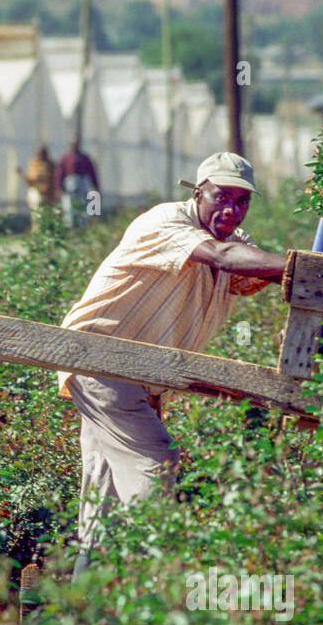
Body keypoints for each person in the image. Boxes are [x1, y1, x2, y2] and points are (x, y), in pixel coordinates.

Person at [56, 152, 287, 575]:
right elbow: (224, 258)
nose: (231, 209)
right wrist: (301, 266)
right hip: (100, 359)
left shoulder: (231, 240)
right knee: (155, 462)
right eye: (221, 197)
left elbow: (250, 271)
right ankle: (154, 587)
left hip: (139, 375)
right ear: (199, 192)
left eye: (242, 201)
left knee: (103, 488)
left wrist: (314, 273)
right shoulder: (165, 223)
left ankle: (83, 604)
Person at [55, 137, 101, 225]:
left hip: (82, 183)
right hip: (70, 184)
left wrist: (96, 186)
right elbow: (59, 173)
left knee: (83, 204)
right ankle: (70, 224)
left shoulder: (84, 158)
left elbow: (92, 172)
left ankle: (82, 224)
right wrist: (58, 188)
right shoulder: (65, 158)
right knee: (69, 205)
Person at [19, 145, 57, 229]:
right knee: (37, 215)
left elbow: (54, 179)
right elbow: (30, 180)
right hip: (36, 191)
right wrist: (21, 175)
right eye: (40, 153)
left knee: (48, 215)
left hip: (48, 194)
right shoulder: (34, 164)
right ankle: (37, 232)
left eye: (43, 153)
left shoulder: (51, 165)